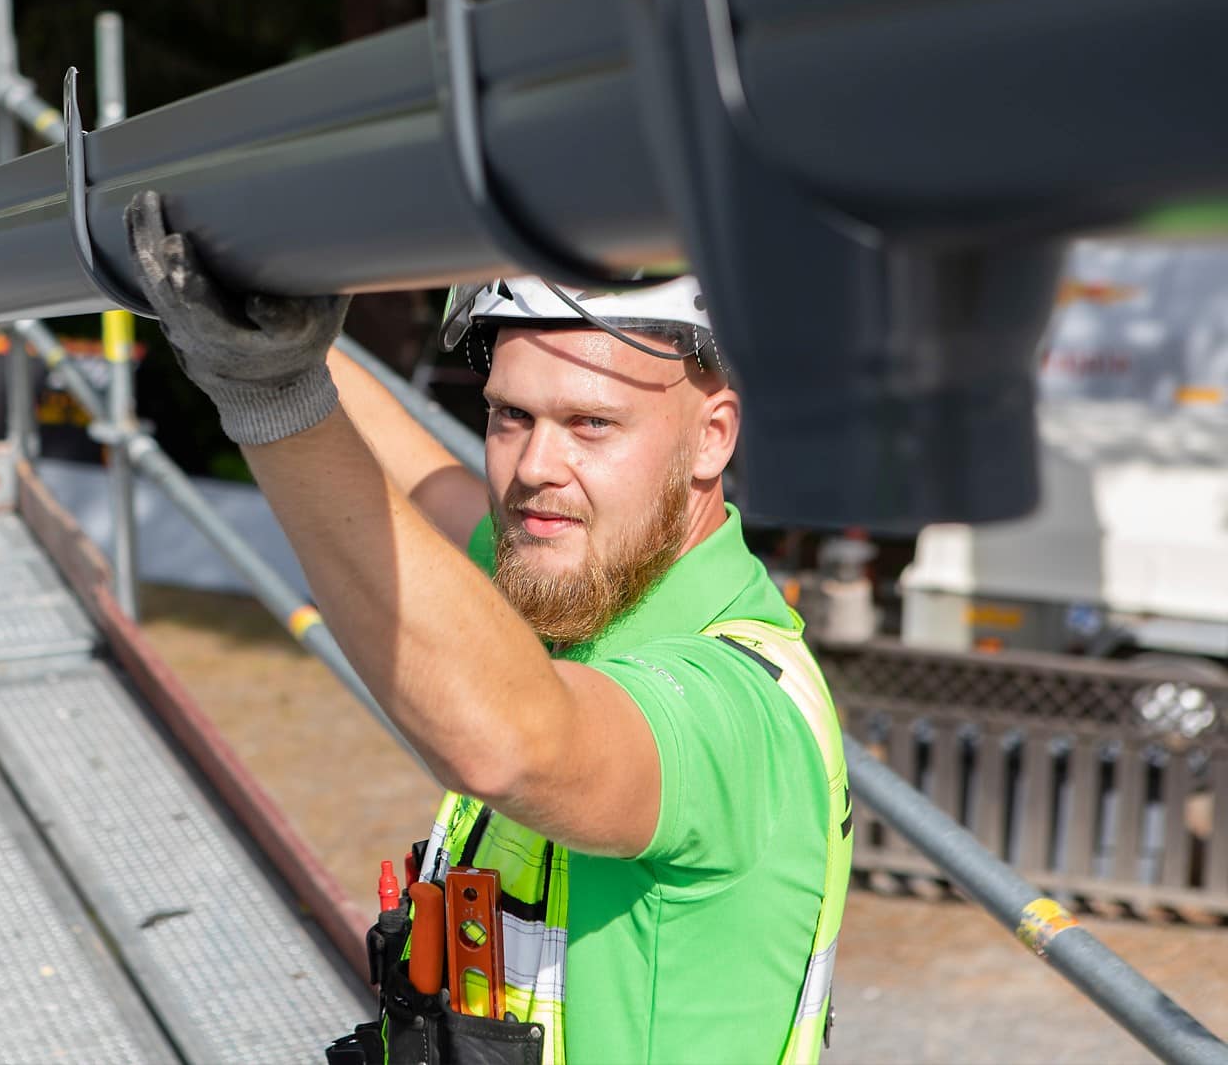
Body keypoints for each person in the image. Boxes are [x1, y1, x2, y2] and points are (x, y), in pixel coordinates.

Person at [122, 193, 851, 1064]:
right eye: (511, 416)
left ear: (712, 438)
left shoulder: (739, 710)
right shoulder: (579, 581)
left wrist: (267, 393)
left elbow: (512, 740)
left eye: (591, 423)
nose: (536, 469)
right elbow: (425, 489)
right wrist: (230, 305)